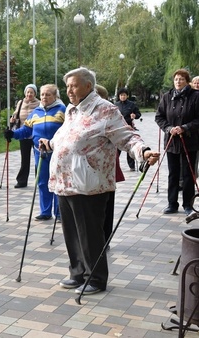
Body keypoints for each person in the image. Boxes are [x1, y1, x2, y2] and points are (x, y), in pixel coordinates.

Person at [40, 67, 158, 296]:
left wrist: (142, 152)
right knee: (71, 231)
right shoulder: (73, 109)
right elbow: (65, 138)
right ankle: (77, 272)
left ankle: (95, 278)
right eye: (67, 86)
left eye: (73, 85)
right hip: (66, 182)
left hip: (89, 183)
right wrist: (50, 144)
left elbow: (127, 136)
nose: (69, 90)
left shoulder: (105, 110)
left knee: (90, 233)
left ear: (88, 86)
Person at [4, 84, 65, 220]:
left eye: (48, 94)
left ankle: (60, 213)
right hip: (40, 153)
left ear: (55, 96)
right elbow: (26, 130)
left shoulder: (62, 110)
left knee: (57, 181)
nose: (44, 97)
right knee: (42, 181)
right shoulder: (36, 112)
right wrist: (12, 134)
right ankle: (45, 211)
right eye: (42, 94)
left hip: (57, 152)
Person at [155, 69, 199, 215]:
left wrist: (185, 128)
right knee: (173, 174)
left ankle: (188, 204)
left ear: (187, 81)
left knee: (188, 174)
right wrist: (169, 128)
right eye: (176, 79)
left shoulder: (195, 96)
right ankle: (172, 203)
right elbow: (159, 117)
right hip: (172, 141)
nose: (178, 82)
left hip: (189, 141)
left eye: (181, 79)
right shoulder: (167, 97)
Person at [96, 84, 125, 247]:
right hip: (88, 169)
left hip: (106, 165)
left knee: (107, 202)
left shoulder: (110, 113)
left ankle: (105, 238)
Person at [10, 84, 40, 188]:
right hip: (23, 133)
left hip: (36, 134)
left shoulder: (39, 103)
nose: (29, 94)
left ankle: (39, 181)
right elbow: (16, 113)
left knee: (38, 158)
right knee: (24, 159)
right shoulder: (21, 102)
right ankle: (22, 181)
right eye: (28, 92)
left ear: (35, 94)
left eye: (31, 92)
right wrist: (13, 118)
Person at [115, 87, 142, 171]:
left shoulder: (132, 105)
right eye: (121, 95)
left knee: (129, 147)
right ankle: (115, 166)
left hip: (129, 128)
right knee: (117, 148)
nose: (122, 96)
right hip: (118, 129)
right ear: (119, 96)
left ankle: (132, 166)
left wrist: (135, 116)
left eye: (124, 95)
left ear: (127, 96)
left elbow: (138, 114)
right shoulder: (115, 105)